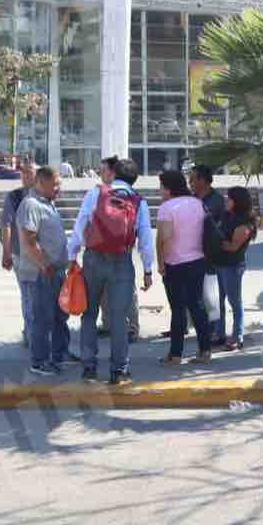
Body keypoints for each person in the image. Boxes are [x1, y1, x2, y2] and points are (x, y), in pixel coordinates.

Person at [68, 157, 154, 385]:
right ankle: (119, 371)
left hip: (93, 259)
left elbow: (80, 226)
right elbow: (145, 239)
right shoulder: (138, 201)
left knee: (89, 313)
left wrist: (72, 256)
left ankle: (89, 369)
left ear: (114, 174)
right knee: (118, 318)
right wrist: (147, 269)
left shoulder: (96, 194)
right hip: (122, 261)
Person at [15, 166, 72, 375]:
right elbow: (29, 241)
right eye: (55, 184)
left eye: (59, 183)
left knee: (59, 316)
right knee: (42, 318)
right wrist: (44, 265)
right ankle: (39, 361)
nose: (59, 188)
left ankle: (60, 355)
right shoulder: (31, 204)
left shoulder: (48, 203)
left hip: (55, 271)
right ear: (40, 183)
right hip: (40, 273)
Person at [155, 169, 211, 365]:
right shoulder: (198, 203)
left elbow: (165, 238)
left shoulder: (167, 207)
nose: (160, 189)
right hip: (197, 260)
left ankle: (176, 354)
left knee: (178, 309)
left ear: (169, 189)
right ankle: (205, 351)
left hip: (175, 263)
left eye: (161, 186)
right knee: (197, 306)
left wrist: (161, 262)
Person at [93, 157, 141, 342]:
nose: (101, 173)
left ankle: (131, 327)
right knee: (106, 290)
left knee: (127, 290)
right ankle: (108, 324)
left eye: (103, 170)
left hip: (120, 251)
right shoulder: (99, 193)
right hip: (106, 250)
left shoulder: (129, 195)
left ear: (113, 173)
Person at [215, 186, 258, 350]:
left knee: (234, 301)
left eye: (229, 198)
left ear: (237, 202)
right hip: (219, 263)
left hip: (232, 266)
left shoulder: (245, 223)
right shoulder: (227, 215)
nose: (226, 201)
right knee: (218, 300)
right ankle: (219, 332)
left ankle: (237, 335)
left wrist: (217, 243)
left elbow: (232, 247)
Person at [0, 160, 37, 348]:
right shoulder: (14, 197)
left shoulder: (43, 195)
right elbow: (5, 225)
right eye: (23, 173)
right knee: (28, 296)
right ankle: (31, 335)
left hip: (41, 256)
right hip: (20, 255)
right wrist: (6, 252)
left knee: (37, 297)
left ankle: (33, 333)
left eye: (29, 173)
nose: (25, 176)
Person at [188, 164, 226, 345]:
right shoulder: (191, 198)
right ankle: (200, 328)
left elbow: (217, 227)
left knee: (212, 295)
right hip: (192, 253)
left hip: (212, 255)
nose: (190, 182)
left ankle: (216, 332)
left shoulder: (217, 200)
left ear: (202, 180)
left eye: (193, 179)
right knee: (196, 294)